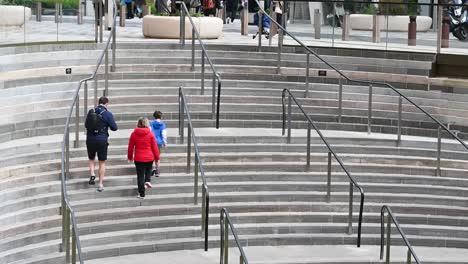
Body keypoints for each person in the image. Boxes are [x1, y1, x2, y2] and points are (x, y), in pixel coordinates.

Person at [85, 96, 118, 192]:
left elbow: (86, 125)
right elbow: (114, 127)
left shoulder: (91, 111)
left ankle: (92, 174)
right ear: (106, 103)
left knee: (91, 158)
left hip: (90, 139)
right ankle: (100, 184)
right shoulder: (107, 114)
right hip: (102, 140)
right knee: (102, 162)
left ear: (98, 102)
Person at [128, 117, 160, 199]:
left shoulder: (134, 134)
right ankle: (147, 181)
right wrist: (157, 157)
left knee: (140, 176)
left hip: (138, 158)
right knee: (149, 170)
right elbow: (155, 147)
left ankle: (142, 194)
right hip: (149, 157)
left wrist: (130, 157)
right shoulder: (150, 134)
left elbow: (130, 147)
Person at [150, 110, 167, 177]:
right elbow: (164, 134)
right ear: (161, 117)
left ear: (154, 116)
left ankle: (150, 170)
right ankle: (157, 171)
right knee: (157, 156)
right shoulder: (163, 124)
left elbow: (149, 131)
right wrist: (165, 143)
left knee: (151, 156)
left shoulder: (151, 123)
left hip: (152, 141)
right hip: (159, 142)